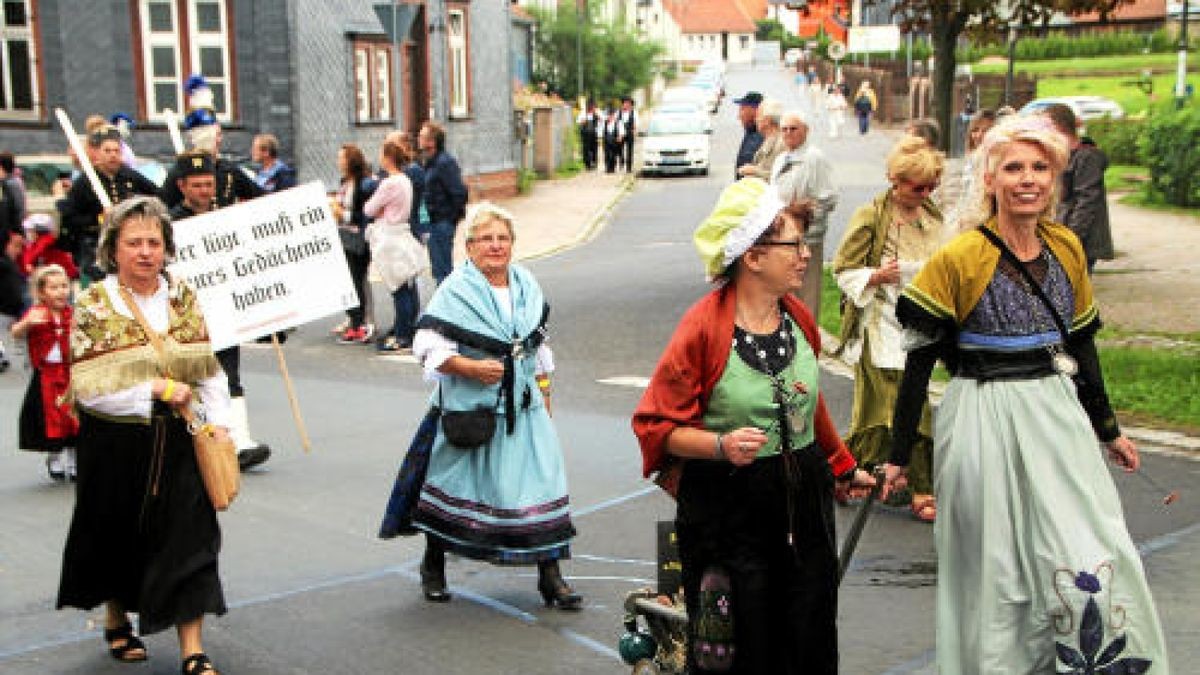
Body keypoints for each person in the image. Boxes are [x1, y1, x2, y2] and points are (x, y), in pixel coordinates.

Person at [880, 116, 1169, 673]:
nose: (1028, 179)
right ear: (990, 178)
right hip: (983, 414)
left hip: (1056, 416)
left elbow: (1082, 347)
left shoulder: (1066, 249)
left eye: (1040, 168)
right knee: (1000, 574)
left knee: (1089, 551)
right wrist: (898, 457)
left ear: (1055, 178)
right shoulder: (958, 258)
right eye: (1014, 167)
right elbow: (918, 364)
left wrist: (1109, 429)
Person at [632, 178, 873, 674]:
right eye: (793, 244)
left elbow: (809, 406)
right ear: (753, 256)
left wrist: (843, 467)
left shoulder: (798, 319)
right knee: (740, 638)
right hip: (727, 506)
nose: (805, 255)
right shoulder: (702, 328)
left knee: (807, 626)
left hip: (802, 497)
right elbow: (654, 425)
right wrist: (720, 445)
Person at [57, 195, 233, 675]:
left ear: (166, 248)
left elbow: (207, 367)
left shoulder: (182, 296)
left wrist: (218, 426)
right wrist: (154, 388)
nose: (145, 252)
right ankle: (118, 617)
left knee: (190, 539)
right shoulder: (95, 303)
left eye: (154, 242)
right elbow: (88, 388)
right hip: (116, 444)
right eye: (133, 242)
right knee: (117, 535)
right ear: (113, 249)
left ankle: (193, 650)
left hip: (178, 441)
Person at [407, 202, 581, 609]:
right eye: (486, 239)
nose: (496, 246)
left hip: (525, 408)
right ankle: (433, 565)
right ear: (469, 248)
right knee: (454, 488)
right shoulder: (456, 290)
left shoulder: (527, 286)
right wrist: (469, 367)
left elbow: (538, 350)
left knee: (546, 485)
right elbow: (427, 347)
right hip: (472, 412)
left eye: (503, 238)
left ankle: (551, 577)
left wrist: (545, 396)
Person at [832, 136, 944, 521]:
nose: (925, 193)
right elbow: (843, 269)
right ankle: (851, 473)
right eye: (918, 187)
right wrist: (878, 275)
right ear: (896, 180)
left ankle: (921, 485)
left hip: (922, 322)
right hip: (881, 325)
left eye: (931, 186)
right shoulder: (871, 216)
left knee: (918, 411)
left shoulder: (934, 217)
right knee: (880, 414)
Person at [168, 151, 272, 471]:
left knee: (230, 374)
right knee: (193, 379)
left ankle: (240, 441)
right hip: (186, 317)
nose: (204, 191)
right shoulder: (170, 222)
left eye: (209, 184)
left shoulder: (225, 218)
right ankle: (198, 442)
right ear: (182, 186)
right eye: (197, 185)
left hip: (224, 311)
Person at [57, 125, 159, 282]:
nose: (113, 155)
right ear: (97, 154)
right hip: (95, 247)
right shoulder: (85, 182)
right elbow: (70, 218)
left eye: (116, 151)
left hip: (128, 245)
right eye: (107, 151)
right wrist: (97, 219)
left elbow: (158, 196)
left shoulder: (129, 176)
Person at [12, 264, 79, 481]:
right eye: (54, 288)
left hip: (70, 372)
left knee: (73, 416)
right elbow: (16, 332)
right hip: (47, 374)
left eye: (64, 286)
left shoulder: (72, 314)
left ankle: (74, 458)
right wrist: (27, 324)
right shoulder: (37, 313)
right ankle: (55, 455)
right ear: (42, 292)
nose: (61, 291)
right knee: (52, 417)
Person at [771, 110, 838, 318]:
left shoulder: (815, 158)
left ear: (806, 131)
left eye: (794, 129)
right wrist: (783, 209)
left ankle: (809, 341)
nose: (788, 133)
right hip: (782, 237)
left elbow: (829, 198)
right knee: (786, 294)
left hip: (807, 238)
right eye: (784, 129)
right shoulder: (781, 159)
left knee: (807, 294)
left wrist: (806, 214)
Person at [159, 76, 262, 210]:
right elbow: (163, 209)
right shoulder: (180, 171)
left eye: (219, 134)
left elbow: (263, 199)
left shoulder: (229, 170)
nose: (219, 140)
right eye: (215, 135)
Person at [365, 140, 426, 352]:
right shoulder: (405, 180)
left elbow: (369, 209)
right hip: (402, 234)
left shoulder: (389, 183)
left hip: (389, 238)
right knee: (405, 287)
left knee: (398, 288)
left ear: (388, 158)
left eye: (382, 154)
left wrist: (380, 210)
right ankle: (407, 331)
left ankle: (402, 336)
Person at [1044, 103, 1114, 272]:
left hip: (1079, 241)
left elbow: (1087, 201)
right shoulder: (1061, 155)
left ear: (1058, 127)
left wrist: (1071, 239)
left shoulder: (1087, 157)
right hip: (1060, 235)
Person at [331, 143, 379, 343]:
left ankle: (362, 322)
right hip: (344, 235)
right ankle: (354, 319)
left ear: (351, 160)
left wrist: (344, 213)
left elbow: (364, 214)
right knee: (348, 280)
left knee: (357, 280)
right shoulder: (345, 181)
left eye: (342, 158)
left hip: (358, 238)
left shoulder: (363, 184)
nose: (338, 161)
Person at [418, 121, 468, 285]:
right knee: (439, 269)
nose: (419, 139)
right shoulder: (429, 162)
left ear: (432, 142)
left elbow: (459, 192)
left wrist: (450, 219)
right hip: (433, 222)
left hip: (441, 222)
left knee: (443, 272)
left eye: (422, 136)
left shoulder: (445, 163)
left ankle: (448, 307)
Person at [946, 109, 997, 234]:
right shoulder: (971, 159)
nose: (979, 135)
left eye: (985, 131)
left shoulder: (994, 161)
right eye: (975, 130)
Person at [736, 99, 785, 180]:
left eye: (758, 116)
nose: (755, 120)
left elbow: (782, 177)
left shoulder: (782, 144)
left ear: (767, 120)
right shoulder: (768, 140)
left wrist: (754, 171)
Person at [0, 230, 26, 371]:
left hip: (13, 308)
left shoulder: (12, 264)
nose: (18, 250)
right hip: (4, 308)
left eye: (20, 247)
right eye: (15, 246)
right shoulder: (4, 263)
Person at [732, 91, 764, 181]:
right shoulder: (751, 132)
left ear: (754, 110)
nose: (739, 116)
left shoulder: (760, 136)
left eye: (742, 109)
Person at [576, 100, 600, 170]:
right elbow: (578, 121)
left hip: (593, 133)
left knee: (594, 149)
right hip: (585, 134)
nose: (592, 108)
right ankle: (587, 164)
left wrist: (598, 116)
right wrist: (582, 121)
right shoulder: (583, 113)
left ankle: (594, 162)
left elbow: (602, 120)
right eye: (591, 107)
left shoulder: (596, 113)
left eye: (593, 107)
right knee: (586, 149)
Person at [619, 97, 639, 173]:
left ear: (631, 104)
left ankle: (629, 167)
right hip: (621, 133)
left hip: (630, 132)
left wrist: (634, 131)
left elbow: (636, 123)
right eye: (625, 103)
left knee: (629, 150)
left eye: (628, 103)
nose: (626, 105)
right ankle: (621, 161)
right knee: (620, 149)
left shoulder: (634, 113)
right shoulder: (619, 112)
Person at [602, 108, 624, 175]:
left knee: (613, 155)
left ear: (614, 116)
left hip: (614, 141)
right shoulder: (604, 123)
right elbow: (601, 131)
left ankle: (612, 167)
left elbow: (622, 131)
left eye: (611, 115)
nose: (610, 117)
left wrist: (620, 137)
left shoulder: (618, 123)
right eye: (609, 115)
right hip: (606, 140)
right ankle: (607, 167)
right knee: (607, 154)